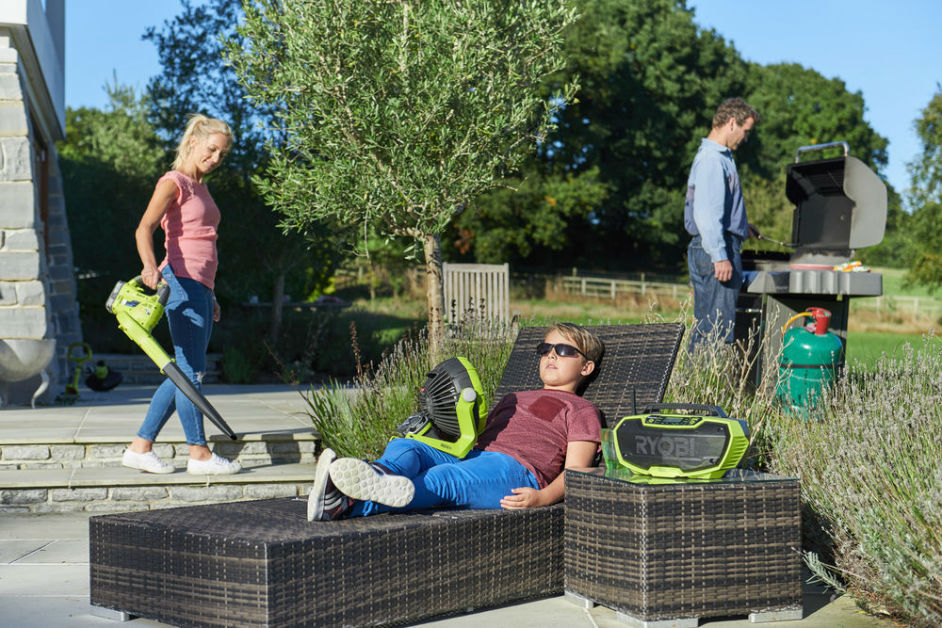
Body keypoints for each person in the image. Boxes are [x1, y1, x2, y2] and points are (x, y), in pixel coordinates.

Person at [308, 323, 605, 520]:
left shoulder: (581, 409)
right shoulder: (514, 396)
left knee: (444, 479)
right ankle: (377, 474)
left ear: (586, 367)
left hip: (516, 471)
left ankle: (347, 503)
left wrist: (543, 498)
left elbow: (578, 470)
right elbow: (475, 434)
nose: (551, 355)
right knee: (409, 446)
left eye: (564, 351)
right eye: (545, 349)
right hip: (472, 454)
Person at [121, 114, 241, 475]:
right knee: (191, 372)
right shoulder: (174, 182)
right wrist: (149, 267)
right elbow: (143, 228)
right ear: (193, 142)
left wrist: (211, 293)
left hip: (199, 286)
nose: (216, 158)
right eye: (211, 149)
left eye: (221, 154)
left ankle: (140, 447)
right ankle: (199, 453)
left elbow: (203, 242)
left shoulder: (201, 186)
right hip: (180, 281)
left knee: (185, 372)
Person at [684, 97, 761, 351]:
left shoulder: (718, 158)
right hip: (717, 249)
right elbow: (706, 215)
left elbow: (713, 207)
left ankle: (697, 377)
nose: (744, 138)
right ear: (731, 123)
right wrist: (720, 256)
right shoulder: (712, 160)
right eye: (745, 131)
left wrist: (741, 224)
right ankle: (705, 378)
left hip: (715, 244)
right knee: (716, 332)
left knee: (707, 329)